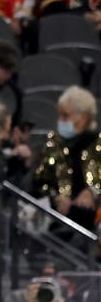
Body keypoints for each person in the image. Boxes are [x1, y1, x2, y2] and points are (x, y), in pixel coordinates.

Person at [30, 85, 101, 221]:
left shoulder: (98, 145)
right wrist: (56, 198)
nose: (60, 121)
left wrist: (93, 192)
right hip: (55, 220)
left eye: (65, 116)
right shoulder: (53, 143)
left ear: (84, 118)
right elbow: (38, 184)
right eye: (59, 115)